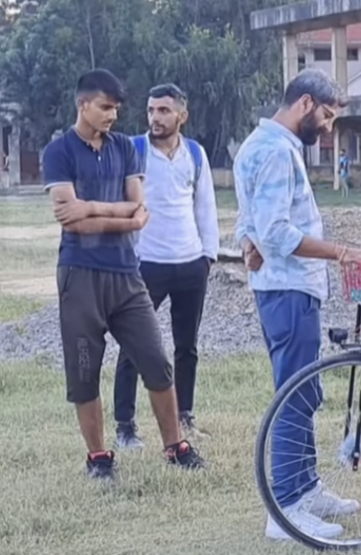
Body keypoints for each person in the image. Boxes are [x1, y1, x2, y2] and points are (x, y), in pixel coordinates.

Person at [42, 69, 205, 480]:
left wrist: (92, 207)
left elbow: (138, 211)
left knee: (155, 360)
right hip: (80, 275)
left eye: (116, 108)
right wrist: (119, 213)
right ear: (84, 105)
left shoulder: (125, 149)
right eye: (105, 107)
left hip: (127, 275)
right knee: (84, 371)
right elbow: (71, 220)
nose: (113, 115)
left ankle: (175, 446)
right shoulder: (59, 151)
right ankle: (99, 457)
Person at [233, 68, 361, 541]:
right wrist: (339, 252)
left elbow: (248, 223)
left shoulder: (255, 145)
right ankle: (285, 511)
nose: (329, 129)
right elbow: (276, 232)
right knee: (293, 395)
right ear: (306, 104)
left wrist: (249, 243)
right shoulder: (275, 152)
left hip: (284, 288)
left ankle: (305, 486)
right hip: (289, 289)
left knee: (304, 392)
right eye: (327, 117)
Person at [112, 83, 218, 450]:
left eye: (164, 111)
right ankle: (125, 426)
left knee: (186, 347)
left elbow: (205, 207)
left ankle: (184, 416)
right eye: (151, 110)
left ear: (181, 116)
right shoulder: (134, 151)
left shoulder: (195, 154)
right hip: (146, 265)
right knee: (133, 346)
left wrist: (208, 257)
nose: (155, 117)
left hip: (190, 264)